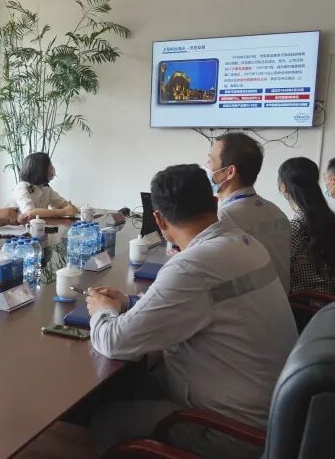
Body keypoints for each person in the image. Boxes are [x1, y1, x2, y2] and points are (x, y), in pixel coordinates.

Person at [84, 164, 297, 458]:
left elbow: (115, 341)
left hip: (229, 431)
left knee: (105, 420)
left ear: (158, 219)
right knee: (128, 386)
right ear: (215, 203)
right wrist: (131, 304)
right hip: (271, 414)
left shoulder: (192, 265)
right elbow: (203, 302)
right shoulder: (245, 243)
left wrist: (102, 311)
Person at [205, 131, 291, 291]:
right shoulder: (276, 211)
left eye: (210, 160)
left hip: (245, 301)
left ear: (229, 172)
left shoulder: (223, 218)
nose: (207, 166)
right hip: (279, 299)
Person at [279, 158, 335, 294]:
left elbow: (279, 264)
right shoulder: (327, 216)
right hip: (331, 293)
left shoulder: (296, 226)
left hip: (306, 300)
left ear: (283, 187)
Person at [13, 152, 79, 218]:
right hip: (21, 224)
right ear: (40, 169)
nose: (53, 169)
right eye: (50, 166)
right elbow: (30, 213)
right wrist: (63, 212)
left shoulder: (45, 187)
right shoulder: (22, 187)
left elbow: (63, 204)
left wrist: (69, 208)